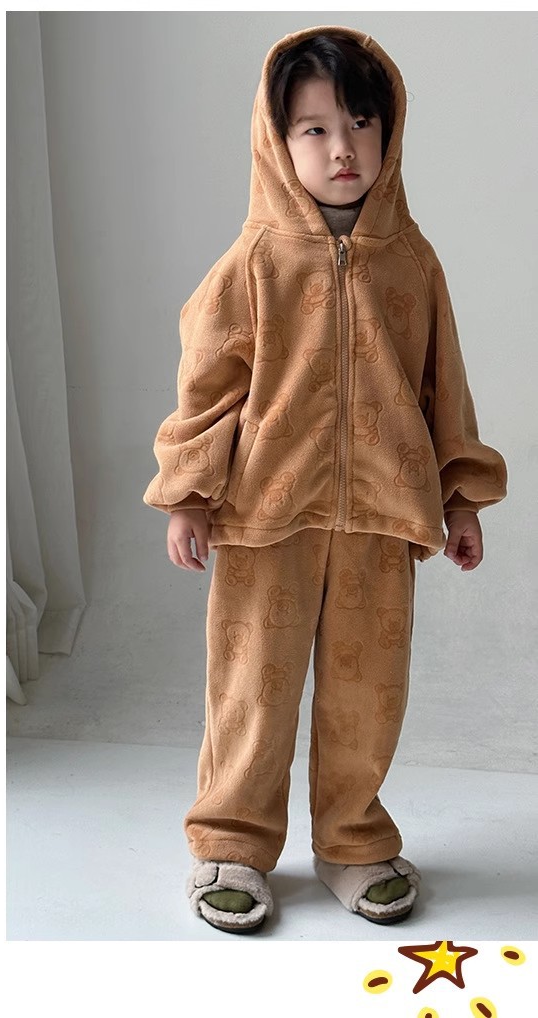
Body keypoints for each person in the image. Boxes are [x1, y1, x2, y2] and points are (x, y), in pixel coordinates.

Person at [142, 24, 508, 934]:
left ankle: (352, 840)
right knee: (251, 690)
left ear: (390, 130)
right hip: (265, 516)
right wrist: (188, 494)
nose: (342, 147)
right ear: (277, 140)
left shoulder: (413, 262)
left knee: (368, 694)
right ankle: (230, 842)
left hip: (384, 514)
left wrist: (460, 497)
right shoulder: (253, 262)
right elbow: (208, 389)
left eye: (360, 122)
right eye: (314, 129)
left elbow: (445, 388)